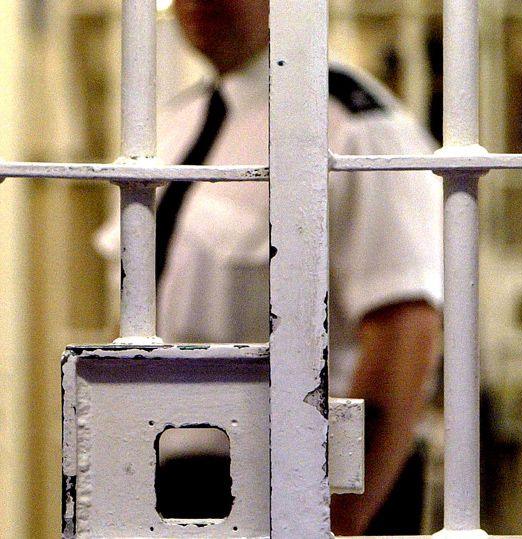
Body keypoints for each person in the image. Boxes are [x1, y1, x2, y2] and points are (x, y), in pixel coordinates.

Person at [98, 0, 442, 534]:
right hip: (167, 470)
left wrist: (335, 517)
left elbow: (405, 328)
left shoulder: (356, 129)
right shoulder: (173, 125)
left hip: (296, 480)